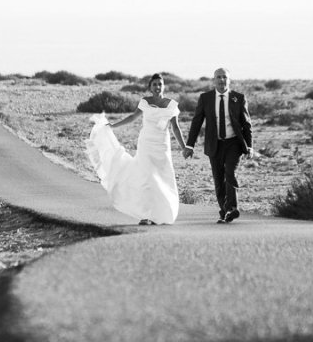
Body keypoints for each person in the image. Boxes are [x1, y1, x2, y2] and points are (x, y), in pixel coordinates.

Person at [86, 73, 187, 225]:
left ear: (164, 86)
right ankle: (147, 215)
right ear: (150, 87)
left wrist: (184, 147)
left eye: (160, 84)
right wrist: (114, 126)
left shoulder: (172, 105)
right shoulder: (145, 102)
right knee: (147, 178)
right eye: (154, 84)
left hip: (162, 146)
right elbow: (133, 117)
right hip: (146, 143)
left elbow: (176, 128)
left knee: (162, 177)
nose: (158, 87)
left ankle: (161, 213)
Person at [183, 67, 254, 223]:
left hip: (233, 143)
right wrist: (190, 145)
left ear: (229, 80)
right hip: (214, 144)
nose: (222, 80)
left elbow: (246, 123)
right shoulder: (206, 98)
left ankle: (232, 208)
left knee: (230, 173)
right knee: (218, 179)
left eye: (224, 77)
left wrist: (249, 146)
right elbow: (197, 122)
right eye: (218, 77)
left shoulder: (238, 98)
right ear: (213, 80)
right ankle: (225, 210)